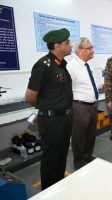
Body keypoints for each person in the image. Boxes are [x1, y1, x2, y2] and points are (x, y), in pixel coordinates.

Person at [25, 28, 73, 190]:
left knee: (61, 156)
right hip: (51, 120)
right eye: (67, 43)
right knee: (51, 158)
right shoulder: (43, 65)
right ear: (57, 46)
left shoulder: (61, 65)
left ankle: (58, 188)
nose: (71, 45)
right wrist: (45, 110)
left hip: (65, 118)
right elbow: (30, 96)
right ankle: (48, 192)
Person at [66, 37, 99, 170]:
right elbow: (67, 89)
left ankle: (87, 155)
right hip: (79, 106)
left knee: (91, 133)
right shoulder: (71, 67)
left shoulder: (89, 64)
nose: (92, 51)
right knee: (79, 135)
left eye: (92, 47)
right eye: (89, 48)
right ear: (79, 50)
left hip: (93, 105)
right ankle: (78, 161)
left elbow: (90, 84)